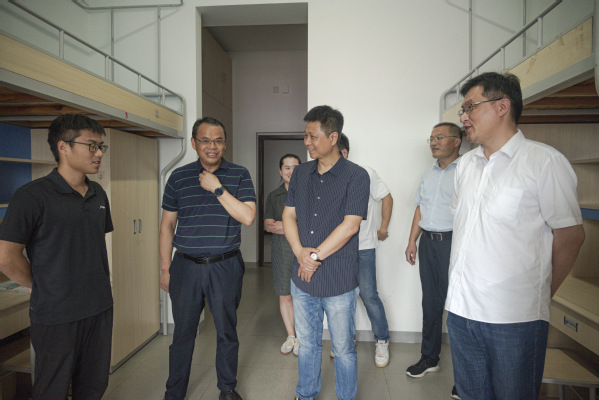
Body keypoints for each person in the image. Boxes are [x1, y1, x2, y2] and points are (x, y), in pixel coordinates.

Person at [446, 72, 585, 400]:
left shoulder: (544, 162)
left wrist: (539, 293)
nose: (463, 117)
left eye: (471, 107)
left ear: (502, 107)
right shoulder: (465, 166)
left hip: (514, 317)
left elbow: (570, 236)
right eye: (462, 110)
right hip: (462, 312)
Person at [0, 114, 113, 400]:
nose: (99, 153)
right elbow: (7, 258)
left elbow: (91, 245)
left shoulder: (98, 193)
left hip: (99, 307)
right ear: (63, 146)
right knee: (52, 389)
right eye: (91, 146)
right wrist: (43, 285)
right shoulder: (31, 196)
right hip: (56, 314)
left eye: (101, 147)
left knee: (94, 386)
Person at [160, 117, 256, 400]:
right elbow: (167, 225)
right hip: (185, 266)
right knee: (183, 333)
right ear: (194, 143)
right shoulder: (178, 177)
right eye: (205, 140)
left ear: (225, 144)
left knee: (226, 331)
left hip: (225, 265)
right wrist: (165, 268)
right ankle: (174, 392)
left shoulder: (239, 174)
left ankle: (227, 389)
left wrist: (217, 188)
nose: (212, 146)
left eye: (218, 141)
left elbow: (248, 217)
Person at [283, 105, 369, 400]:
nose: (307, 142)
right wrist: (299, 253)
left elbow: (350, 225)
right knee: (307, 344)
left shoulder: (356, 176)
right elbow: (289, 215)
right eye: (305, 136)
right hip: (302, 278)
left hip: (338, 279)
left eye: (313, 136)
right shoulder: (300, 173)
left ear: (333, 137)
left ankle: (346, 396)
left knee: (343, 348)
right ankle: (306, 394)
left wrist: (313, 258)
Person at [403, 123, 462, 399]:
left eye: (440, 138)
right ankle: (429, 358)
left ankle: (466, 378)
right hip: (428, 243)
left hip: (455, 244)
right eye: (431, 138)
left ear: (457, 141)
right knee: (430, 304)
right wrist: (412, 241)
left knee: (461, 309)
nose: (433, 143)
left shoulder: (466, 171)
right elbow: (420, 208)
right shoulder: (428, 173)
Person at [337, 133, 394, 368]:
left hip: (363, 247)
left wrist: (383, 226)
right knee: (342, 298)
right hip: (337, 250)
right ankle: (345, 341)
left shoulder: (365, 173)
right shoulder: (325, 178)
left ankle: (382, 340)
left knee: (369, 296)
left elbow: (387, 198)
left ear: (344, 153)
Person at [264, 153, 302, 356]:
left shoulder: (309, 193)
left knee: (304, 295)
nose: (291, 171)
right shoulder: (274, 196)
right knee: (285, 294)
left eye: (296, 167)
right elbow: (269, 226)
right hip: (281, 251)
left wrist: (284, 225)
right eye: (287, 167)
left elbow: (313, 225)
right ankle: (291, 336)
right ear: (280, 171)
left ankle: (303, 337)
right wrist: (294, 225)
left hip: (304, 250)